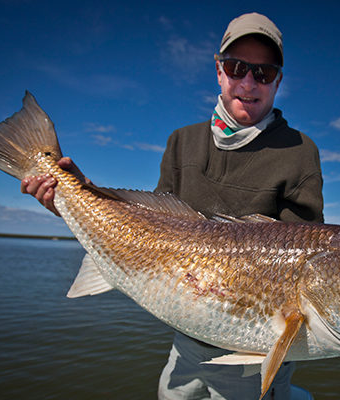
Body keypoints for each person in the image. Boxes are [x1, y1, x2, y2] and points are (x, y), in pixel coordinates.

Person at [21, 12, 323, 400]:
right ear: (219, 71)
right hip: (185, 343)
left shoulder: (299, 151)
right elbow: (150, 224)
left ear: (278, 81)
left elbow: (307, 254)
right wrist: (74, 195)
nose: (248, 82)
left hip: (255, 355)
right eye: (237, 67)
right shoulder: (182, 141)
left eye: (264, 73)